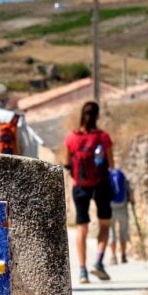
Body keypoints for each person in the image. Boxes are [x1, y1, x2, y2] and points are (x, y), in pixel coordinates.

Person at [64, 101, 115, 284]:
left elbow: (67, 164)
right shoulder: (103, 137)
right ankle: (98, 262)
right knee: (105, 224)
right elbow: (111, 164)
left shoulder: (71, 137)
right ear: (98, 116)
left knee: (81, 228)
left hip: (80, 186)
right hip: (101, 185)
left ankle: (83, 271)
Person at [107, 168, 135, 265]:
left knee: (111, 232)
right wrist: (132, 201)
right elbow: (129, 190)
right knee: (123, 231)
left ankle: (113, 256)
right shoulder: (121, 174)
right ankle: (123, 255)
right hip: (122, 207)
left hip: (110, 208)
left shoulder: (106, 175)